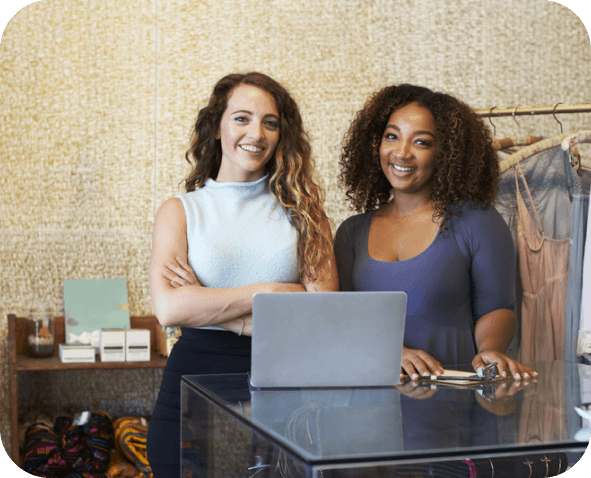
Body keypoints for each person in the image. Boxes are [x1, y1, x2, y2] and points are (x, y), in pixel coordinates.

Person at [146, 72, 338, 478]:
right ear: (217, 127)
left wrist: (212, 305)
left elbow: (321, 314)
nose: (257, 133)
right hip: (192, 381)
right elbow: (169, 307)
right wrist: (272, 291)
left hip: (284, 389)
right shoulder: (180, 211)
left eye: (270, 122)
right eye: (242, 118)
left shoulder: (306, 214)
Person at [334, 83, 537, 383]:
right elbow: (340, 319)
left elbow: (497, 308)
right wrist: (392, 351)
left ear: (446, 154)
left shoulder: (476, 221)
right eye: (392, 136)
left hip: (452, 399)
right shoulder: (351, 232)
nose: (401, 152)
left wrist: (490, 351)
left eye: (422, 142)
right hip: (371, 399)